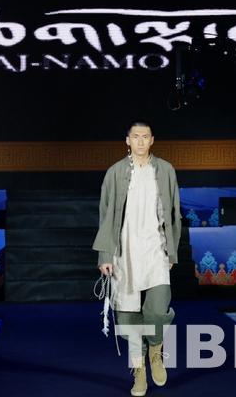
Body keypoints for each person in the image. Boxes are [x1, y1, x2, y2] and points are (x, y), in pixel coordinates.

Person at [92, 121, 182, 397]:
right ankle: (139, 370)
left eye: (145, 137)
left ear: (152, 140)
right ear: (127, 140)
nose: (141, 141)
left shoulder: (165, 170)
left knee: (157, 309)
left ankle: (155, 349)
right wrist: (105, 254)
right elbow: (106, 215)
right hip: (124, 252)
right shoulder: (115, 172)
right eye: (136, 137)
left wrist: (172, 251)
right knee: (129, 316)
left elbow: (174, 212)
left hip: (156, 249)